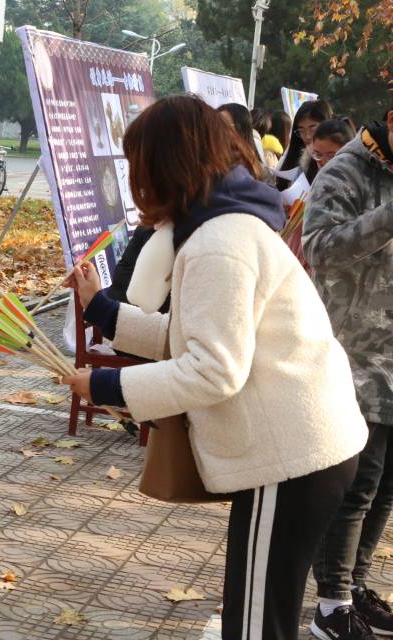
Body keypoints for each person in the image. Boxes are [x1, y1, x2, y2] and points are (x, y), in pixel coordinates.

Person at [63, 95, 366, 639]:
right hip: (301, 451)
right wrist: (102, 310)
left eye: (138, 164)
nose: (135, 182)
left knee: (253, 626)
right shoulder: (224, 225)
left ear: (165, 165)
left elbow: (213, 369)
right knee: (259, 619)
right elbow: (196, 334)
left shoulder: (217, 242)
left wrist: (107, 384)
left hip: (291, 456)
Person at [303, 107, 393, 640]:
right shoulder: (346, 171)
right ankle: (331, 606)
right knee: (356, 486)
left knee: (385, 489)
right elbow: (318, 249)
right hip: (354, 355)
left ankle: (354, 589)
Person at [285, 118, 356, 272]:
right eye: (317, 155)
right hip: (301, 258)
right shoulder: (309, 174)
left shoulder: (360, 186)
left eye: (331, 156)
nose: (322, 161)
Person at [278, 99, 334, 188]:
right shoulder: (293, 155)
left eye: (312, 129)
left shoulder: (335, 158)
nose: (307, 136)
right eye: (302, 130)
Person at [217, 103, 274, 183]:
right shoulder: (206, 163)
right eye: (214, 123)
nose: (216, 129)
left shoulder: (259, 172)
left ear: (241, 130)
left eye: (223, 125)